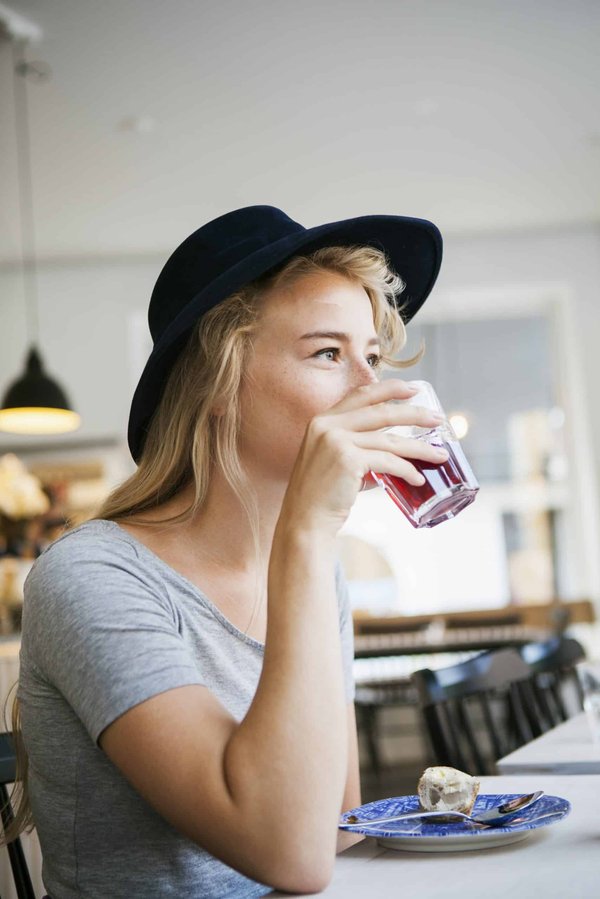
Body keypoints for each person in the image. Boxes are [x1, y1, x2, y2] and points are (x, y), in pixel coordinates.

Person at [13, 205, 444, 898]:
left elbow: (337, 828)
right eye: (327, 353)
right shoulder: (88, 577)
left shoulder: (314, 571)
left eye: (371, 355)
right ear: (219, 382)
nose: (370, 388)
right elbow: (290, 856)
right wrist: (305, 537)